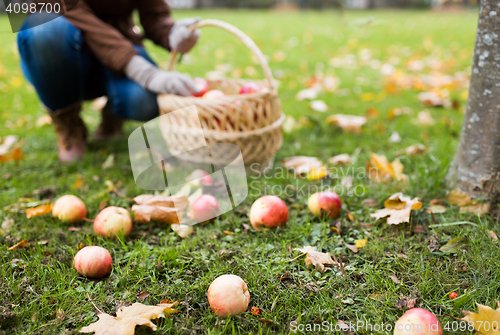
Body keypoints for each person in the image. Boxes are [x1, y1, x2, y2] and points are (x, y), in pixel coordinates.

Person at [17, 0, 201, 162]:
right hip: (63, 50)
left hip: (120, 44)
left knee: (146, 101)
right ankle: (68, 122)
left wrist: (172, 33)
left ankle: (114, 113)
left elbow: (154, 14)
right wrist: (144, 72)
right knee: (43, 27)